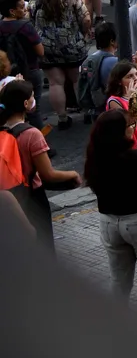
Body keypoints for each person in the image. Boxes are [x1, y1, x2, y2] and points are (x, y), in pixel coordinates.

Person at [1, 78, 81, 247]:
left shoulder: (2, 129)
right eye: (31, 96)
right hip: (32, 199)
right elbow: (48, 174)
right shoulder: (31, 134)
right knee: (42, 248)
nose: (33, 99)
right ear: (25, 103)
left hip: (7, 198)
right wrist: (73, 174)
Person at [30, 0, 88, 130]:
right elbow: (85, 19)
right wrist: (83, 34)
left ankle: (62, 117)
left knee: (56, 83)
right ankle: (84, 111)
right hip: (72, 45)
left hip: (47, 48)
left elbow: (30, 22)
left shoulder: (35, 0)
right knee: (76, 79)